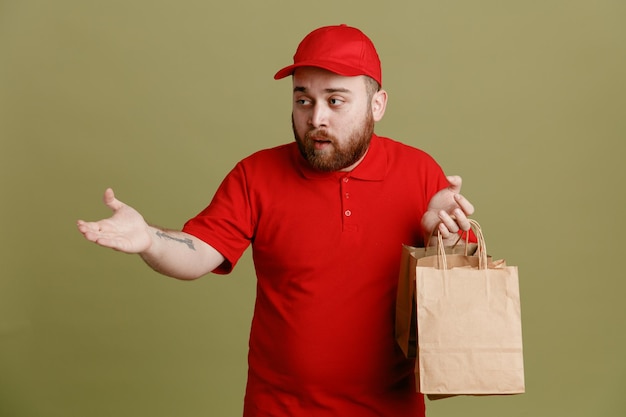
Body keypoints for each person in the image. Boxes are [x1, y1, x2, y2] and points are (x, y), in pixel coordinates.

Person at [77, 24, 475, 417]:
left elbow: (460, 293)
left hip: (391, 408)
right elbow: (198, 252)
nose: (316, 117)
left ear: (377, 105)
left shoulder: (421, 173)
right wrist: (148, 238)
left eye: (335, 101)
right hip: (278, 408)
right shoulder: (256, 175)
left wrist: (442, 237)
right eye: (303, 100)